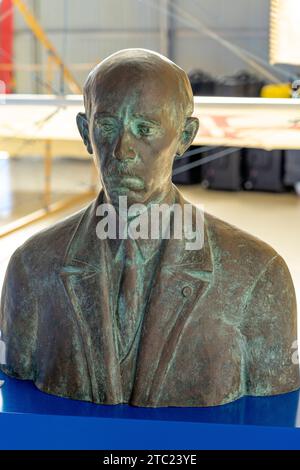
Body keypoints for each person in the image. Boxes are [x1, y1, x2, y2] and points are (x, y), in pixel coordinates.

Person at [0, 49, 299, 407]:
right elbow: (16, 377)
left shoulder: (258, 276)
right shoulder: (31, 269)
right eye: (107, 126)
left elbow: (275, 399)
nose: (123, 150)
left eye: (145, 129)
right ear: (85, 132)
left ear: (185, 136)